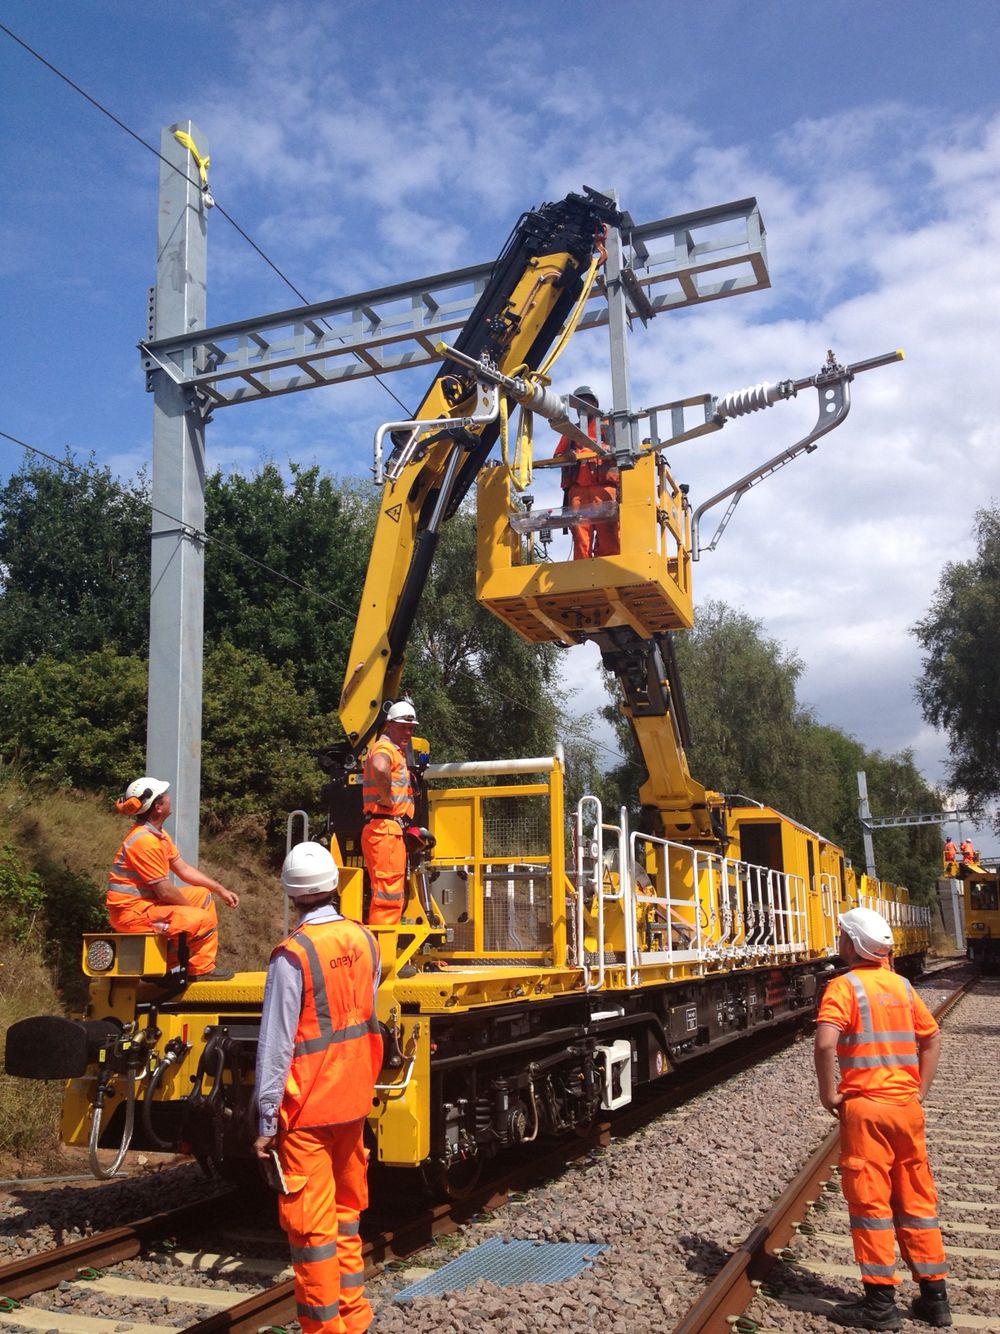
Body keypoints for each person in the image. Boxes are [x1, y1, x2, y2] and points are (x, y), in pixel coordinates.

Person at [254, 842, 383, 1334]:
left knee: (312, 1233)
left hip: (306, 1111)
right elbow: (363, 1012)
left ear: (290, 895)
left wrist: (267, 1120)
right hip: (352, 1101)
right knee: (347, 1217)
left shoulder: (294, 954)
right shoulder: (365, 939)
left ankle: (325, 1329)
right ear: (334, 885)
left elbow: (276, 1044)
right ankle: (354, 1319)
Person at [814, 907, 950, 1330]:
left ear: (852, 945)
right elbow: (931, 1038)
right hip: (906, 1110)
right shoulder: (903, 986)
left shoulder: (843, 986)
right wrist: (919, 1091)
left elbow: (824, 1045)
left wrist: (828, 1093)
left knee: (871, 1202)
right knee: (916, 1199)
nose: (838, 942)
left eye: (841, 936)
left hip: (867, 1111)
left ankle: (879, 1304)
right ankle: (935, 1299)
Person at [106, 776, 239, 980]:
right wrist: (190, 911)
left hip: (147, 907)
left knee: (202, 896)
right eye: (166, 796)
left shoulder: (158, 835)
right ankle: (167, 967)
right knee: (198, 918)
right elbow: (165, 891)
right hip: (132, 916)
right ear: (158, 806)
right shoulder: (145, 842)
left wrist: (219, 889)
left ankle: (195, 966)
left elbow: (183, 869)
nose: (170, 798)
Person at [361, 700, 418, 926]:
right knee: (388, 897)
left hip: (387, 830)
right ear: (388, 725)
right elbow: (380, 766)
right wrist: (386, 798)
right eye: (403, 727)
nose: (408, 732)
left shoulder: (394, 751)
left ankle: (381, 951)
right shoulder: (384, 748)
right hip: (385, 830)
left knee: (387, 894)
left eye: (411, 728)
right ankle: (382, 956)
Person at [554, 386, 621, 560]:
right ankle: (582, 570)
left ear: (594, 405)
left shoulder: (608, 427)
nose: (582, 407)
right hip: (577, 492)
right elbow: (557, 456)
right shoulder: (571, 431)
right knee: (580, 535)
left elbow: (623, 450)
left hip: (604, 489)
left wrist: (604, 449)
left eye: (586, 402)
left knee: (608, 535)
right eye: (579, 403)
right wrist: (567, 456)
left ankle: (609, 568)